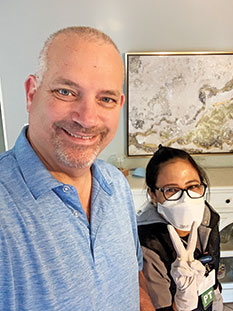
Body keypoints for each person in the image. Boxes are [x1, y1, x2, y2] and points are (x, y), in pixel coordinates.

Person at [0, 26, 154, 311]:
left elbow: (132, 274)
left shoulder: (115, 185)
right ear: (32, 93)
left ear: (119, 105)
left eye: (105, 98)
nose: (87, 118)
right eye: (66, 92)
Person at [137, 145, 223, 311]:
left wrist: (215, 296)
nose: (185, 199)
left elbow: (213, 266)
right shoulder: (148, 244)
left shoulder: (208, 218)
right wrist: (184, 299)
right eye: (171, 190)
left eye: (192, 186)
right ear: (153, 195)